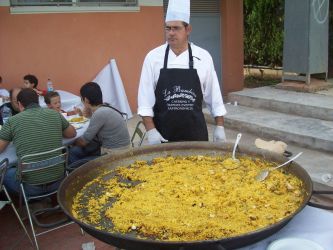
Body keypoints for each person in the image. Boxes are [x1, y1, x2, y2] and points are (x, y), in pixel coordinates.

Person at [137, 0, 227, 144]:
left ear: (188, 29)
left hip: (196, 135)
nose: (171, 33)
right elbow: (145, 101)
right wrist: (151, 130)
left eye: (176, 28)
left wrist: (220, 126)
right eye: (168, 28)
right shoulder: (153, 58)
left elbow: (214, 97)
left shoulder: (203, 57)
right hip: (162, 134)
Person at [0, 88, 76, 196]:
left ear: (20, 104)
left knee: (5, 173)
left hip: (30, 187)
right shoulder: (54, 114)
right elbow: (72, 133)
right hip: (59, 181)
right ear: (38, 101)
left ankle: (35, 201)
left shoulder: (12, 121)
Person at [68, 82, 130, 165]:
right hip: (121, 148)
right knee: (77, 150)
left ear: (86, 100)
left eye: (81, 99)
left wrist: (71, 142)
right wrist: (89, 115)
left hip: (114, 155)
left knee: (72, 153)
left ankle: (81, 176)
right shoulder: (106, 107)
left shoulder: (99, 113)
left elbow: (83, 142)